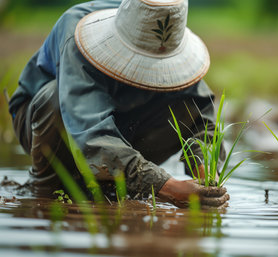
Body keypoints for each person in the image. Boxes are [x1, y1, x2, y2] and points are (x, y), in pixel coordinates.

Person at [8, 0, 229, 208]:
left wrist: (205, 172)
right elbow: (90, 135)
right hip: (49, 121)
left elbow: (202, 119)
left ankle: (118, 181)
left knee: (184, 104)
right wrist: (167, 187)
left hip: (126, 119)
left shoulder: (168, 25)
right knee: (55, 97)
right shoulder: (75, 30)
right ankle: (45, 188)